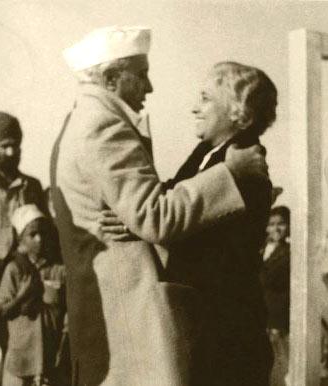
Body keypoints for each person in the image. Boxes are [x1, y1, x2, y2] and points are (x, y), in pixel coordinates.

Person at [50, 26, 270, 386]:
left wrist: (141, 216)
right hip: (126, 316)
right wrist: (226, 175)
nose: (149, 87)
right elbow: (156, 215)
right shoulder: (103, 125)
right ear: (110, 78)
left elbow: (155, 212)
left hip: (206, 330)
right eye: (141, 75)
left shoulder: (83, 120)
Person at [101, 61, 277, 385]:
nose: (195, 107)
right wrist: (137, 217)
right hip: (205, 327)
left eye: (206, 98)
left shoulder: (247, 168)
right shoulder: (209, 153)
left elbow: (196, 237)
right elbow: (171, 195)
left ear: (240, 111)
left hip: (228, 336)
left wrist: (141, 224)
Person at [0, 112, 48, 386]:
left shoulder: (32, 187)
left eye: (16, 145)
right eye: (4, 146)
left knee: (16, 368)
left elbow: (43, 238)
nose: (11, 152)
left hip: (21, 287)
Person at [0, 204, 66, 386]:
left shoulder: (59, 271)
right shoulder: (14, 270)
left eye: (43, 233)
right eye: (32, 234)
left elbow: (68, 314)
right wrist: (22, 296)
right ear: (21, 238)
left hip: (50, 363)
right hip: (19, 365)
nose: (39, 239)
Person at [260, 206, 290, 386]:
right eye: (272, 224)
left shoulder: (289, 253)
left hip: (277, 317)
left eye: (281, 224)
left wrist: (278, 322)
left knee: (279, 362)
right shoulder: (260, 250)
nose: (276, 228)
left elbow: (287, 290)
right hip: (259, 315)